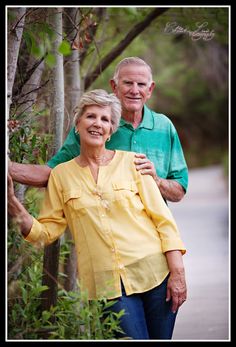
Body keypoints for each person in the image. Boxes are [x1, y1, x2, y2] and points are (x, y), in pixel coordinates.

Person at [8, 89, 187, 340]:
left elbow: (163, 221)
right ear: (77, 124)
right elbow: (44, 233)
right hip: (107, 285)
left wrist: (177, 273)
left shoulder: (133, 163)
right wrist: (12, 203)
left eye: (105, 120)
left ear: (112, 129)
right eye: (91, 116)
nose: (97, 124)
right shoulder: (61, 175)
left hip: (156, 275)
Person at [8, 57, 188, 203]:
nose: (135, 90)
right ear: (114, 86)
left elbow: (178, 191)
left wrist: (156, 180)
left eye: (141, 85)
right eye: (128, 83)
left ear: (150, 89)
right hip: (103, 236)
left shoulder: (165, 127)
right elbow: (52, 173)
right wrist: (9, 168)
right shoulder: (95, 128)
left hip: (154, 238)